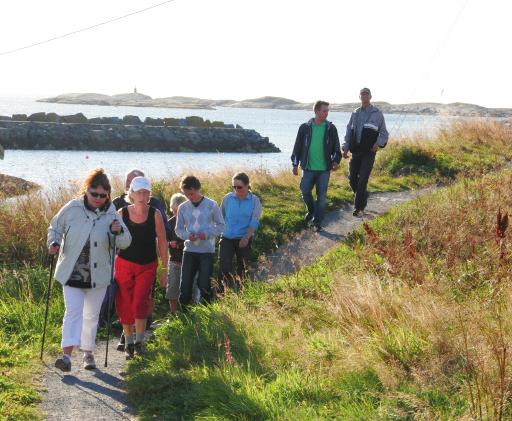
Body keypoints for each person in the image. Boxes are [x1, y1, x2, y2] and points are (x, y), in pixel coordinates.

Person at [47, 168, 131, 372]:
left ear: (108, 195)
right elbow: (55, 227)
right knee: (72, 313)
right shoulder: (73, 208)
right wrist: (54, 242)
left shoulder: (112, 213)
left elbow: (126, 242)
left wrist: (117, 232)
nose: (98, 198)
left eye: (103, 195)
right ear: (87, 190)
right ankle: (66, 357)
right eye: (95, 194)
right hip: (71, 273)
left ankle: (88, 353)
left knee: (91, 315)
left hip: (98, 276)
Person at [110, 168, 170, 351]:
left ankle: (139, 342)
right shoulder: (122, 213)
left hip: (147, 265)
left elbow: (162, 242)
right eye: (139, 192)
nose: (142, 196)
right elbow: (113, 240)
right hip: (124, 264)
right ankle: (128, 342)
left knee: (140, 301)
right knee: (125, 303)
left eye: (146, 192)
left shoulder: (155, 214)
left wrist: (165, 271)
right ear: (131, 194)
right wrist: (113, 231)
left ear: (149, 194)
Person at [291, 100, 341, 232]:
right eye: (325, 110)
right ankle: (312, 210)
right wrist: (295, 164)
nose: (327, 113)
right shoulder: (304, 128)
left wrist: (335, 161)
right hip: (307, 168)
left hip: (324, 170)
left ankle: (317, 222)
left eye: (327, 111)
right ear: (317, 111)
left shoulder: (331, 128)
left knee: (322, 198)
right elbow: (297, 147)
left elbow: (336, 148)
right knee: (305, 191)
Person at [175, 175, 224, 308]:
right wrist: (187, 235)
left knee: (204, 285)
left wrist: (206, 234)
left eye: (191, 193)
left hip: (206, 251)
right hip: (189, 251)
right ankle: (183, 317)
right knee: (184, 286)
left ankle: (207, 313)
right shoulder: (182, 207)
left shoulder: (212, 205)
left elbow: (221, 226)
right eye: (186, 194)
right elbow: (178, 229)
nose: (189, 197)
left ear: (197, 189)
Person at [342, 88, 389, 217]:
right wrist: (345, 146)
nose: (364, 96)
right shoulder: (355, 113)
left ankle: (358, 208)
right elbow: (348, 131)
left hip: (369, 152)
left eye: (366, 94)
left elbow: (384, 133)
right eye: (362, 94)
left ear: (370, 96)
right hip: (355, 151)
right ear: (359, 97)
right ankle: (363, 195)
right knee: (352, 179)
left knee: (362, 180)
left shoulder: (377, 113)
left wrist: (378, 143)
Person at [219, 172, 262, 289]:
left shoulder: (255, 201)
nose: (236, 189)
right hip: (227, 237)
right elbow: (220, 216)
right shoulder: (227, 198)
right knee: (224, 267)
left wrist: (246, 237)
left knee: (242, 268)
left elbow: (254, 221)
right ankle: (224, 294)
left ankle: (242, 292)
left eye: (239, 187)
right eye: (234, 187)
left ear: (248, 186)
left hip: (244, 238)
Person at [166, 193, 187, 315]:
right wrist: (170, 244)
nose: (176, 213)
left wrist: (179, 244)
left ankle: (190, 314)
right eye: (174, 211)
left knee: (190, 289)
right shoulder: (169, 223)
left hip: (189, 260)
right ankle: (173, 314)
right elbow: (163, 241)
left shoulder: (190, 221)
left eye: (179, 211)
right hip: (174, 260)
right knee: (172, 289)